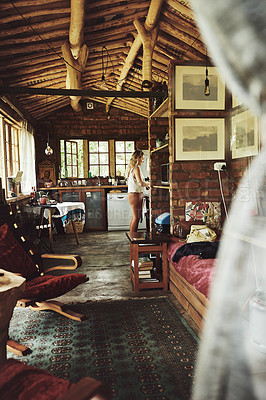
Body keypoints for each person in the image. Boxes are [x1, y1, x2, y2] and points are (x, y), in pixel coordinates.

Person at [126, 150, 150, 232]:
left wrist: (146, 185)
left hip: (133, 195)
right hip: (135, 195)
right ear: (138, 158)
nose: (143, 160)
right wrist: (149, 184)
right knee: (136, 218)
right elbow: (140, 183)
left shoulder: (131, 168)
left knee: (134, 217)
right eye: (142, 158)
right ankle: (133, 239)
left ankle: (131, 237)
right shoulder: (136, 168)